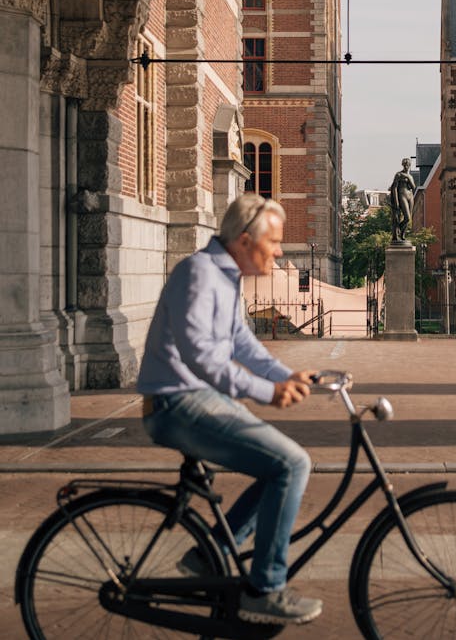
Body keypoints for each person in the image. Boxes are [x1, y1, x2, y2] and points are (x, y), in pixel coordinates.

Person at [137, 193, 321, 627]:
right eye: (273, 242)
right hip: (174, 402)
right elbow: (202, 357)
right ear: (243, 240)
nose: (279, 251)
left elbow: (240, 340)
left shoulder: (227, 275)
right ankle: (266, 589)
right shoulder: (198, 274)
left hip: (197, 398)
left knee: (280, 464)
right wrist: (267, 392)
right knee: (292, 463)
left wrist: (284, 376)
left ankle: (213, 554)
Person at [389, 156, 416, 242]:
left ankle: (402, 234)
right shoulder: (398, 174)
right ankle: (397, 230)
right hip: (402, 194)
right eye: (405, 165)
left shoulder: (410, 176)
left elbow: (413, 187)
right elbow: (394, 188)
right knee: (407, 217)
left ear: (410, 165)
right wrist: (396, 201)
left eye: (408, 165)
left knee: (409, 219)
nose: (406, 166)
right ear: (402, 165)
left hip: (410, 196)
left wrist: (407, 177)